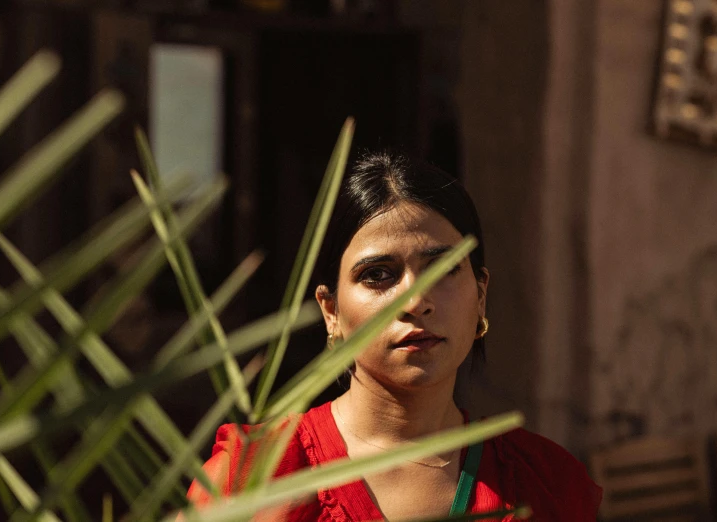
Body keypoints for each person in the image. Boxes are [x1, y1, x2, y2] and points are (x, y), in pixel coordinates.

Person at [186, 151, 602, 521]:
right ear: (331, 311)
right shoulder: (252, 481)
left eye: (443, 269)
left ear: (480, 295)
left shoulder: (546, 484)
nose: (416, 301)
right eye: (378, 274)